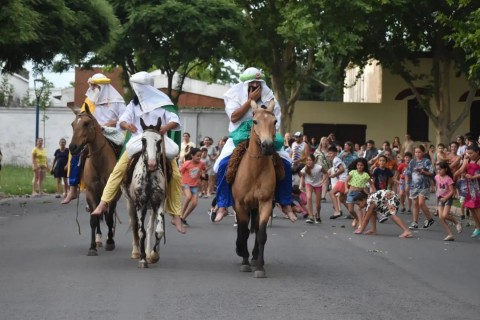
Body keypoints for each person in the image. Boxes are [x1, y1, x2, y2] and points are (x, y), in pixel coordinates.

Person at [91, 71, 185, 234]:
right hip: (138, 141)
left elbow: (174, 120)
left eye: (138, 87)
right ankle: (104, 202)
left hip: (158, 141)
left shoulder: (164, 103)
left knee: (176, 176)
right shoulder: (134, 104)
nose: (136, 90)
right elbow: (122, 120)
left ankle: (176, 214)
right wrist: (127, 126)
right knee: (118, 170)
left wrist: (165, 128)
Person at [212, 67, 297, 223]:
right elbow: (234, 117)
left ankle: (285, 203)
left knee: (285, 163)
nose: (256, 87)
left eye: (258, 83)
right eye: (252, 84)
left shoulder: (269, 96)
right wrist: (248, 100)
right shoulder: (233, 95)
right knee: (223, 164)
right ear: (246, 85)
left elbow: (275, 118)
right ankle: (222, 204)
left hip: (264, 132)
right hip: (240, 134)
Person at [62, 73, 126, 204]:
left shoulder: (118, 101)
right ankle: (73, 189)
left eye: (94, 86)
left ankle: (127, 184)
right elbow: (82, 119)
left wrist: (111, 124)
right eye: (91, 86)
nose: (92, 89)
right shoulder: (89, 101)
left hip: (112, 134)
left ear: (102, 87)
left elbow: (125, 120)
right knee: (76, 152)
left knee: (127, 155)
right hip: (93, 134)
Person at [405, 146, 435, 230]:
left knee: (421, 203)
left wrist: (422, 171)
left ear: (423, 152)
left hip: (424, 186)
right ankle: (415, 222)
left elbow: (431, 173)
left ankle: (430, 218)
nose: (417, 154)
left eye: (419, 152)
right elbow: (407, 173)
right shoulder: (412, 162)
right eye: (416, 152)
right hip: (414, 186)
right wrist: (407, 184)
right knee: (415, 204)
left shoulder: (426, 161)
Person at [454, 144, 480, 238]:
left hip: (478, 188)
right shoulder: (467, 159)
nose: (469, 155)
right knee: (471, 207)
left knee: (477, 208)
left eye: (471, 153)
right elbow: (461, 169)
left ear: (477, 152)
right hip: (470, 186)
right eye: (468, 153)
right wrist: (453, 175)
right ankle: (478, 227)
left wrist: (473, 177)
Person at [435, 161, 462, 241]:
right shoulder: (436, 177)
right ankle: (450, 234)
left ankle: (457, 222)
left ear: (445, 169)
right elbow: (438, 187)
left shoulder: (448, 179)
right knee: (441, 217)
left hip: (447, 198)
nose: (438, 171)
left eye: (440, 169)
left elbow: (452, 191)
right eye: (437, 170)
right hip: (440, 198)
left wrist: (446, 198)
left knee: (445, 215)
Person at [345, 158, 374, 229]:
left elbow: (371, 184)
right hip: (351, 192)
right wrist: (346, 188)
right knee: (350, 210)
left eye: (361, 165)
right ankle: (356, 218)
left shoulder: (365, 175)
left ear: (364, 166)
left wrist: (373, 191)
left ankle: (361, 224)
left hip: (361, 193)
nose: (359, 166)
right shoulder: (352, 172)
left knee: (359, 208)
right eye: (358, 165)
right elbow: (346, 181)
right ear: (356, 165)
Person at [179, 148, 205, 227]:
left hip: (195, 185)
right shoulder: (187, 163)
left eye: (200, 156)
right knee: (188, 196)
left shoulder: (201, 164)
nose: (199, 157)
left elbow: (203, 170)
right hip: (185, 183)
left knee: (194, 203)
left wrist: (203, 174)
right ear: (192, 155)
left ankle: (183, 218)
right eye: (197, 156)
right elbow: (179, 171)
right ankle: (180, 215)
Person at [300, 154, 328, 224]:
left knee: (318, 205)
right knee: (309, 197)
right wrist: (300, 185)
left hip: (317, 185)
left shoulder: (319, 167)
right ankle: (311, 216)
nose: (308, 162)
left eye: (310, 160)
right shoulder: (305, 168)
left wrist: (323, 180)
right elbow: (302, 177)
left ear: (313, 161)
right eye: (307, 160)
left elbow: (326, 173)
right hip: (308, 184)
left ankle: (317, 215)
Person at [327, 146, 348, 219]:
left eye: (331, 153)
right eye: (328, 153)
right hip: (344, 180)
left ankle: (337, 211)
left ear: (335, 153)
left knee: (331, 193)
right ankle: (352, 213)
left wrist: (334, 175)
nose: (329, 155)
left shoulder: (335, 160)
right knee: (342, 199)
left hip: (343, 180)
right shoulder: (336, 159)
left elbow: (342, 169)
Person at [314, 136, 332, 202]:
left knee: (325, 182)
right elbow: (314, 160)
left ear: (327, 142)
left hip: (327, 169)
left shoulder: (330, 150)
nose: (324, 142)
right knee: (319, 182)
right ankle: (319, 194)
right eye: (323, 141)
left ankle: (323, 196)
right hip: (318, 169)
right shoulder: (317, 151)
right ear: (320, 142)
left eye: (325, 141)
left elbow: (333, 159)